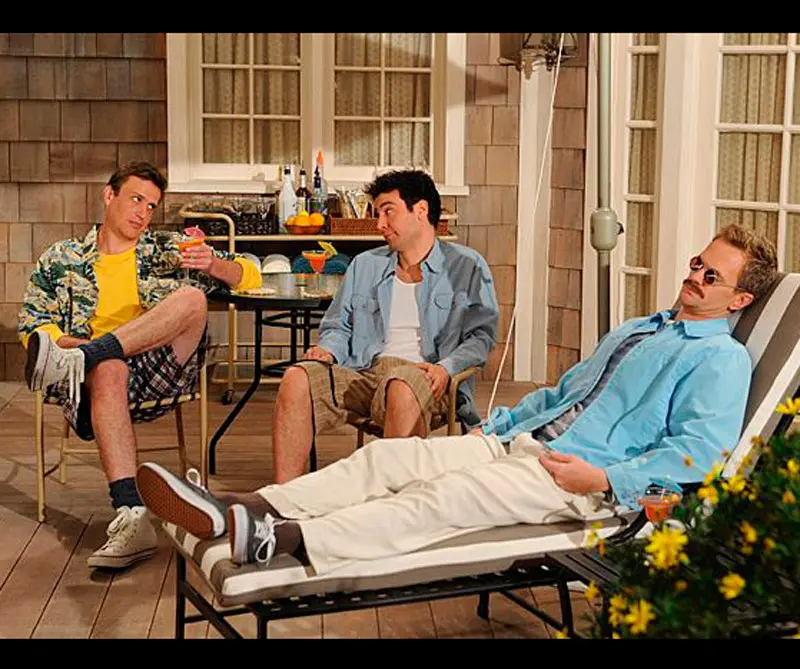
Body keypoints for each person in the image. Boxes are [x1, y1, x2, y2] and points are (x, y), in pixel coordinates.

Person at [135, 223, 778, 576]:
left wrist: (603, 478)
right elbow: (563, 393)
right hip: (517, 444)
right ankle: (244, 507)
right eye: (696, 262)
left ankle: (281, 540)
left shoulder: (719, 360)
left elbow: (699, 454)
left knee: (439, 499)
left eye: (712, 274)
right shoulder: (641, 327)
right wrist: (493, 428)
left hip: (577, 477)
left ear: (741, 299)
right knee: (385, 460)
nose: (695, 275)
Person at [18, 161, 262, 570]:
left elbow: (249, 274)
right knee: (109, 367)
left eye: (151, 206)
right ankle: (132, 515)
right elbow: (34, 327)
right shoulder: (61, 258)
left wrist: (212, 265)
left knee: (192, 299)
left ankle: (94, 353)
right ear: (109, 195)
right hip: (90, 379)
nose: (143, 213)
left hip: (157, 370)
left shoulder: (167, 250)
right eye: (136, 199)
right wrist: (84, 350)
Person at [271, 169, 500, 482]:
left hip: (428, 376)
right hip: (364, 370)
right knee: (296, 378)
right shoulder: (365, 264)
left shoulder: (467, 265)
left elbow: (481, 337)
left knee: (402, 385)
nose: (379, 224)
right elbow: (339, 325)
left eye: (388, 211)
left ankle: (392, 499)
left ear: (421, 210)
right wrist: (328, 350)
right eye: (377, 213)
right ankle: (284, 496)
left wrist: (447, 368)